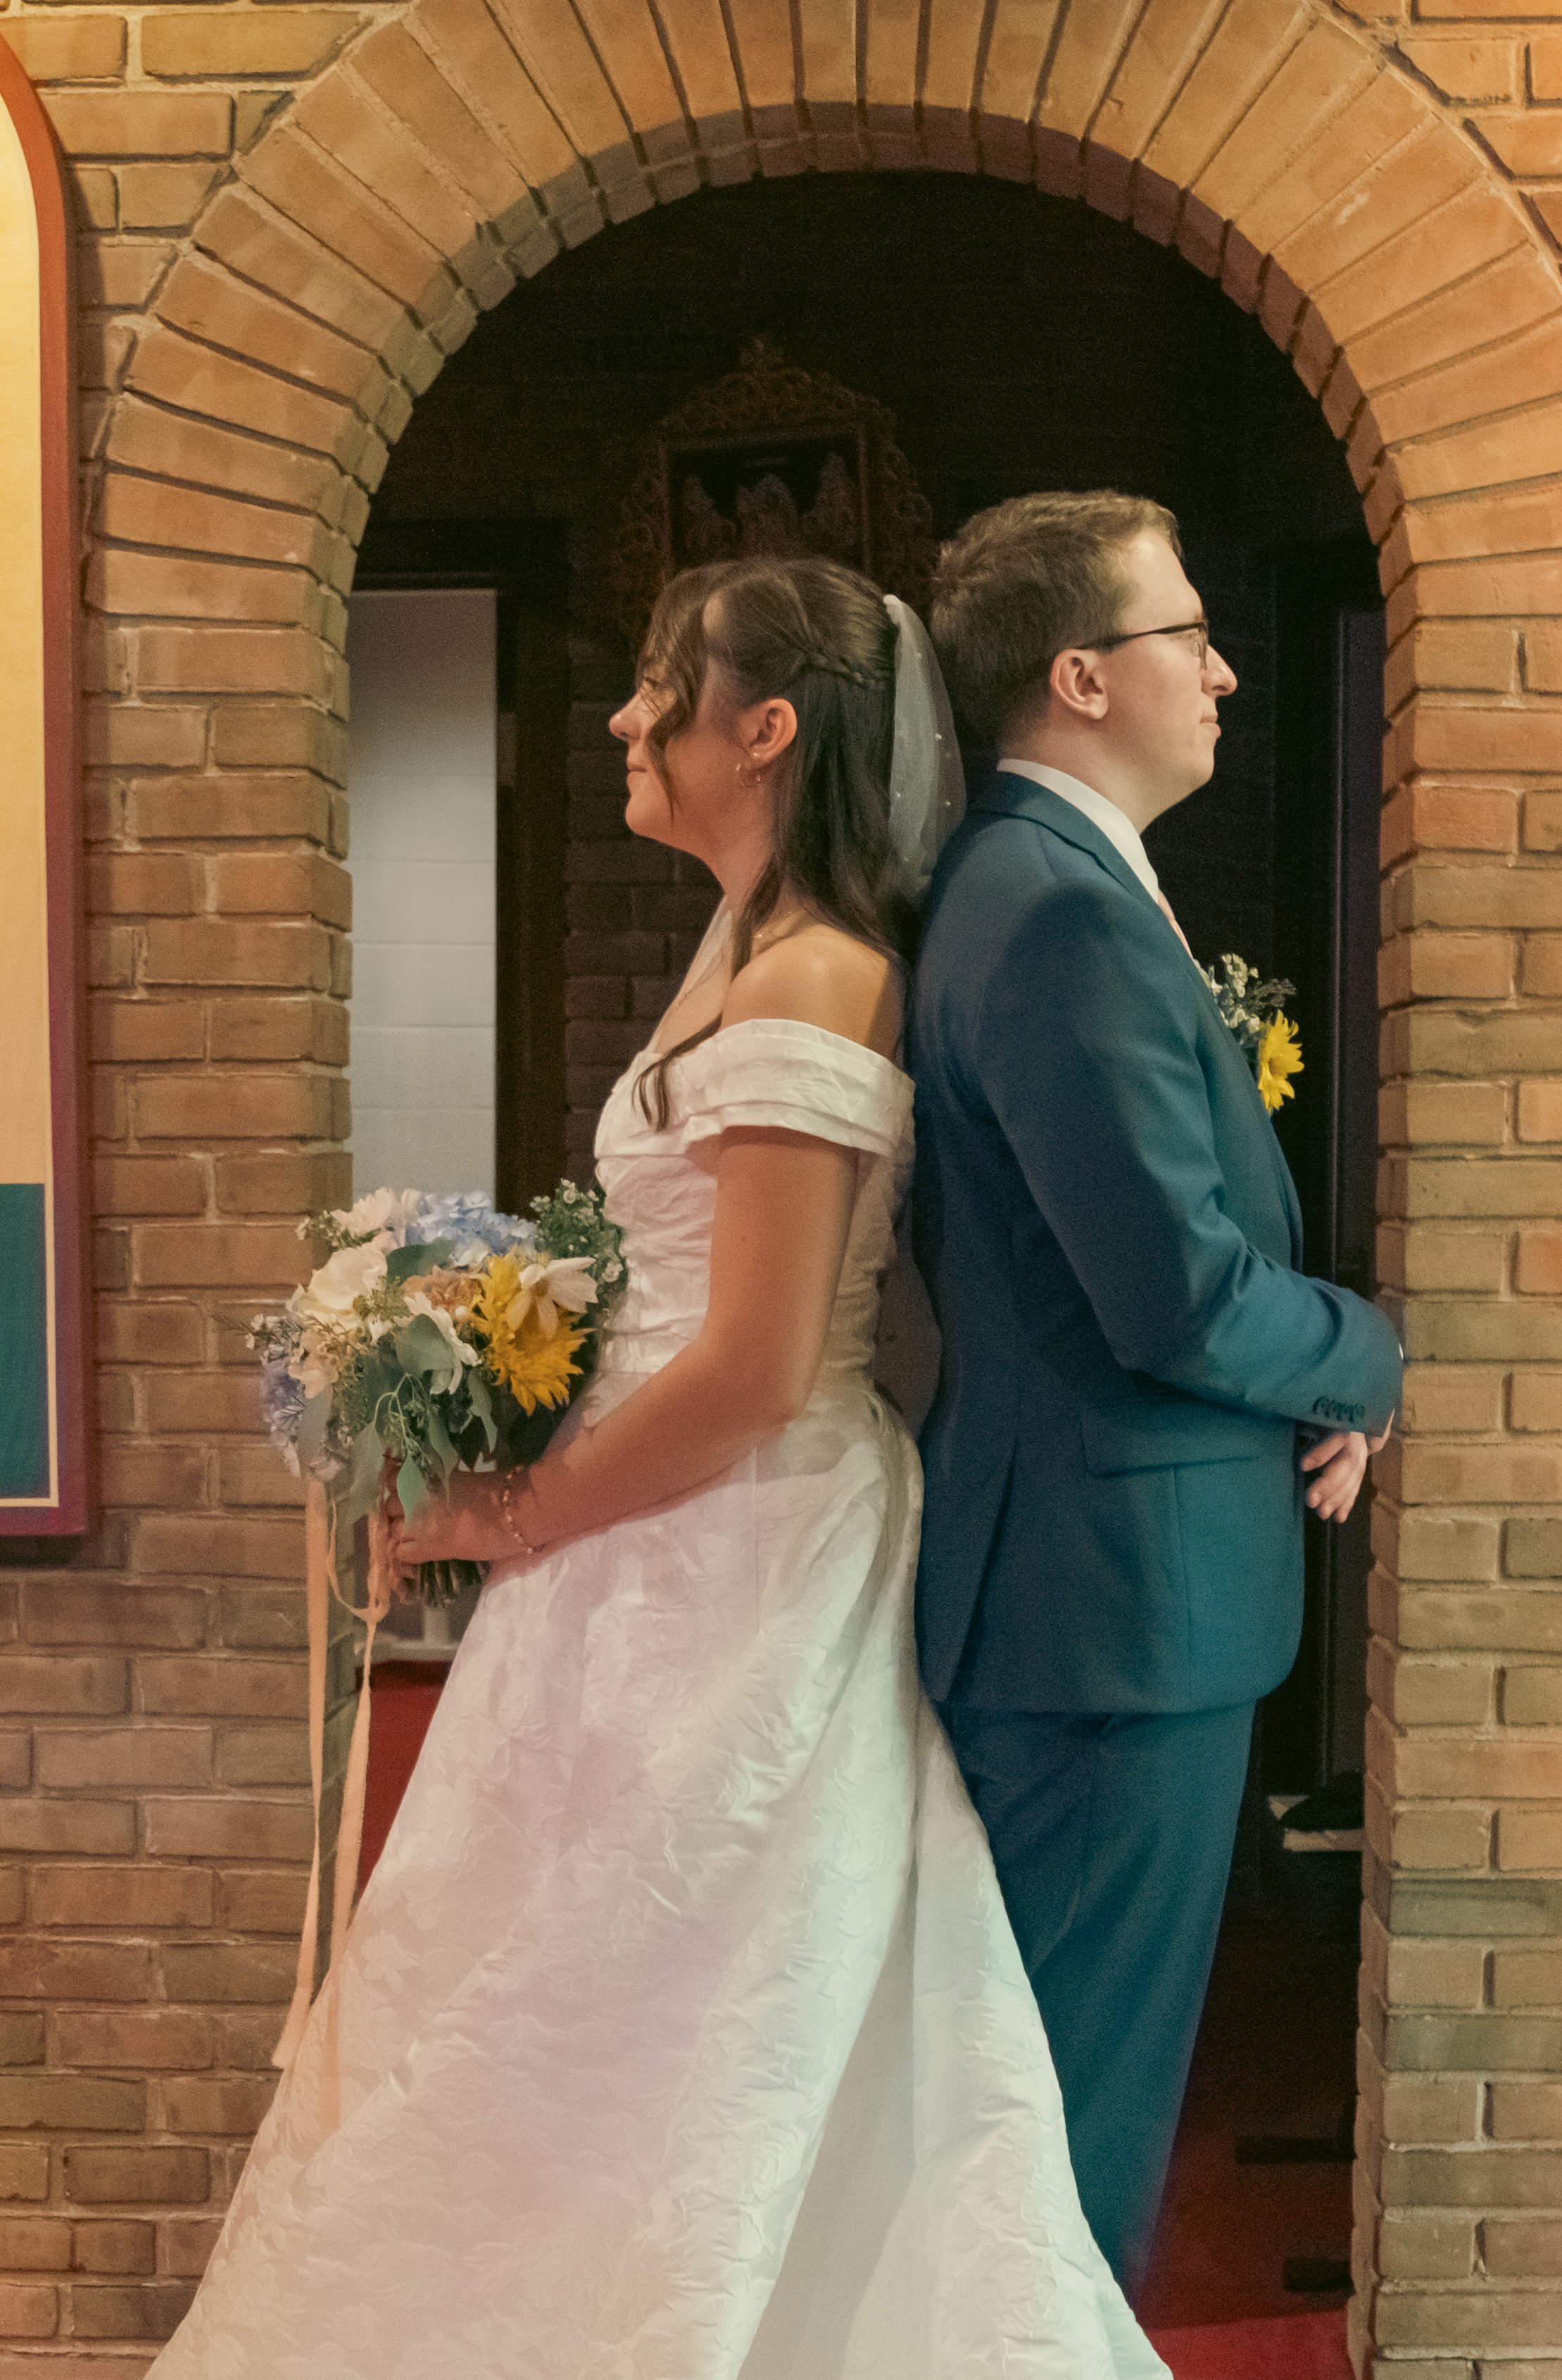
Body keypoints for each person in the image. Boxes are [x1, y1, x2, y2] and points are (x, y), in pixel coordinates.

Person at [149, 554, 1164, 2379]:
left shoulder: (815, 974)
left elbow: (755, 1367)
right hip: (654, 1544)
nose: (624, 717)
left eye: (654, 689)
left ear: (762, 728)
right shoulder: (749, 948)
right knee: (573, 1979)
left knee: (684, 1984)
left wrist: (507, 1508)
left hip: (742, 1553)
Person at [909, 491, 1404, 2300]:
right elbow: (1171, 1291)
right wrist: (1366, 1355)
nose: (1222, 668)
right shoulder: (1056, 910)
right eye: (1187, 631)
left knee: (1047, 2102)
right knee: (1067, 2127)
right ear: (1079, 675)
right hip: (1112, 1618)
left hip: (1091, 1595)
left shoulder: (1034, 879)